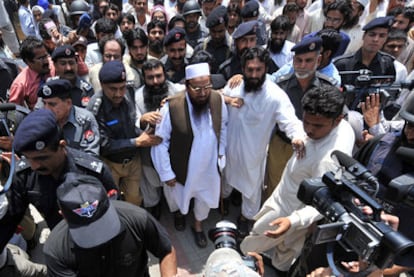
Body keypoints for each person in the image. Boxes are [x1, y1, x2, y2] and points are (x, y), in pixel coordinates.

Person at [240, 84, 355, 274]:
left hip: (291, 210)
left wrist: (292, 221)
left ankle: (244, 263)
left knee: (258, 238)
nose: (309, 129)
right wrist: (301, 138)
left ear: (337, 120)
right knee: (285, 246)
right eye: (306, 122)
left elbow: (325, 201)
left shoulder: (329, 158)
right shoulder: (336, 127)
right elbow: (309, 132)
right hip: (285, 195)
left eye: (317, 125)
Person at [0, 109, 118, 251]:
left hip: (100, 243)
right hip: (62, 247)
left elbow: (117, 211)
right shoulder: (23, 176)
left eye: (42, 158)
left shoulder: (93, 172)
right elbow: (8, 222)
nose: (35, 165)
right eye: (29, 158)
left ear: (62, 146)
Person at [222, 46, 305, 237]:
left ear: (265, 69)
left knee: (251, 189)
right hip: (230, 147)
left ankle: (245, 218)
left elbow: (290, 121)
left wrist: (298, 137)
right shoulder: (235, 85)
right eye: (249, 69)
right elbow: (219, 97)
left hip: (253, 154)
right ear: (242, 68)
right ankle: (225, 199)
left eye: (258, 70)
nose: (253, 74)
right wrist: (226, 97)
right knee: (226, 177)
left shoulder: (275, 96)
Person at [151, 62, 228, 248]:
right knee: (177, 197)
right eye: (197, 88)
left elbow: (223, 127)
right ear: (187, 86)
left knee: (204, 199)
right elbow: (160, 143)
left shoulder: (217, 100)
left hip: (209, 166)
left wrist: (221, 154)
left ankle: (198, 225)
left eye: (207, 86)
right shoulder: (172, 107)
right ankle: (179, 214)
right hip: (182, 166)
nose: (202, 92)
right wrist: (166, 173)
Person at [43, 173, 178, 277]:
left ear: (108, 199)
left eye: (101, 223)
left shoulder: (137, 218)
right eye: (88, 230)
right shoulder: (56, 251)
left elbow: (166, 250)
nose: (98, 236)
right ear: (63, 215)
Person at [266, 36, 337, 199]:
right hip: (282, 145)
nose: (303, 66)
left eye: (308, 60)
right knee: (275, 186)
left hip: (313, 147)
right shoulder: (281, 86)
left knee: (302, 190)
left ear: (318, 60)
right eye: (298, 60)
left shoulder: (328, 88)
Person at [354, 95, 414, 275]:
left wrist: (383, 271)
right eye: (409, 126)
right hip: (349, 246)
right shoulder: (378, 146)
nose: (410, 135)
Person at [88, 60, 161, 206]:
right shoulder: (95, 108)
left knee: (134, 199)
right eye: (113, 89)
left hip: (133, 160)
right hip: (110, 163)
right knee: (112, 202)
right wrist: (137, 142)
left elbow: (132, 122)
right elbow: (104, 144)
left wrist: (144, 121)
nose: (118, 94)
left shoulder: (129, 91)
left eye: (121, 88)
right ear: (102, 85)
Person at [135, 59, 184, 219]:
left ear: (165, 75)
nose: (155, 81)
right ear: (144, 79)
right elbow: (134, 121)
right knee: (151, 184)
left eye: (159, 76)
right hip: (148, 151)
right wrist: (143, 119)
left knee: (174, 186)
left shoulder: (176, 90)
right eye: (150, 78)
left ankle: (177, 212)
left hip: (173, 150)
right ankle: (154, 206)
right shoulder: (137, 97)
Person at [37, 79, 100, 155]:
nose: (47, 109)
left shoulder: (85, 120)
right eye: (44, 103)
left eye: (52, 104)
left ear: (68, 103)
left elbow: (91, 156)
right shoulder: (39, 120)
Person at [334, 16, 396, 87]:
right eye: (372, 35)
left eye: (382, 36)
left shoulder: (387, 63)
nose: (376, 39)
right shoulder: (342, 63)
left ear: (386, 39)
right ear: (363, 36)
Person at [8, 37, 54, 110]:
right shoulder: (20, 84)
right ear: (28, 62)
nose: (46, 61)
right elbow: (14, 112)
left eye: (46, 56)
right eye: (40, 58)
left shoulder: (56, 66)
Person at [194, 5, 232, 74]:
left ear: (226, 27)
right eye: (213, 32)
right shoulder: (201, 47)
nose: (217, 35)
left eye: (220, 31)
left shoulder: (233, 47)